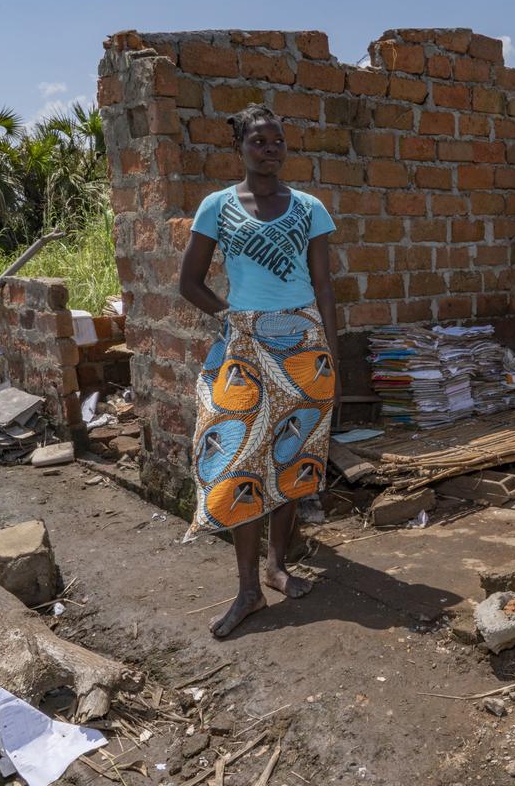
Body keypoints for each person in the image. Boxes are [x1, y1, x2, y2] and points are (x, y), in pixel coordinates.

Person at [179, 105, 339, 638]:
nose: (270, 150)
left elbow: (323, 286)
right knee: (238, 460)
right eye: (259, 141)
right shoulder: (218, 206)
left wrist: (330, 353)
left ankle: (275, 566)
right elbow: (191, 282)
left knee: (291, 457)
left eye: (277, 141)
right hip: (243, 347)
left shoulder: (310, 207)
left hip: (302, 343)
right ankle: (247, 588)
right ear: (241, 147)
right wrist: (232, 321)